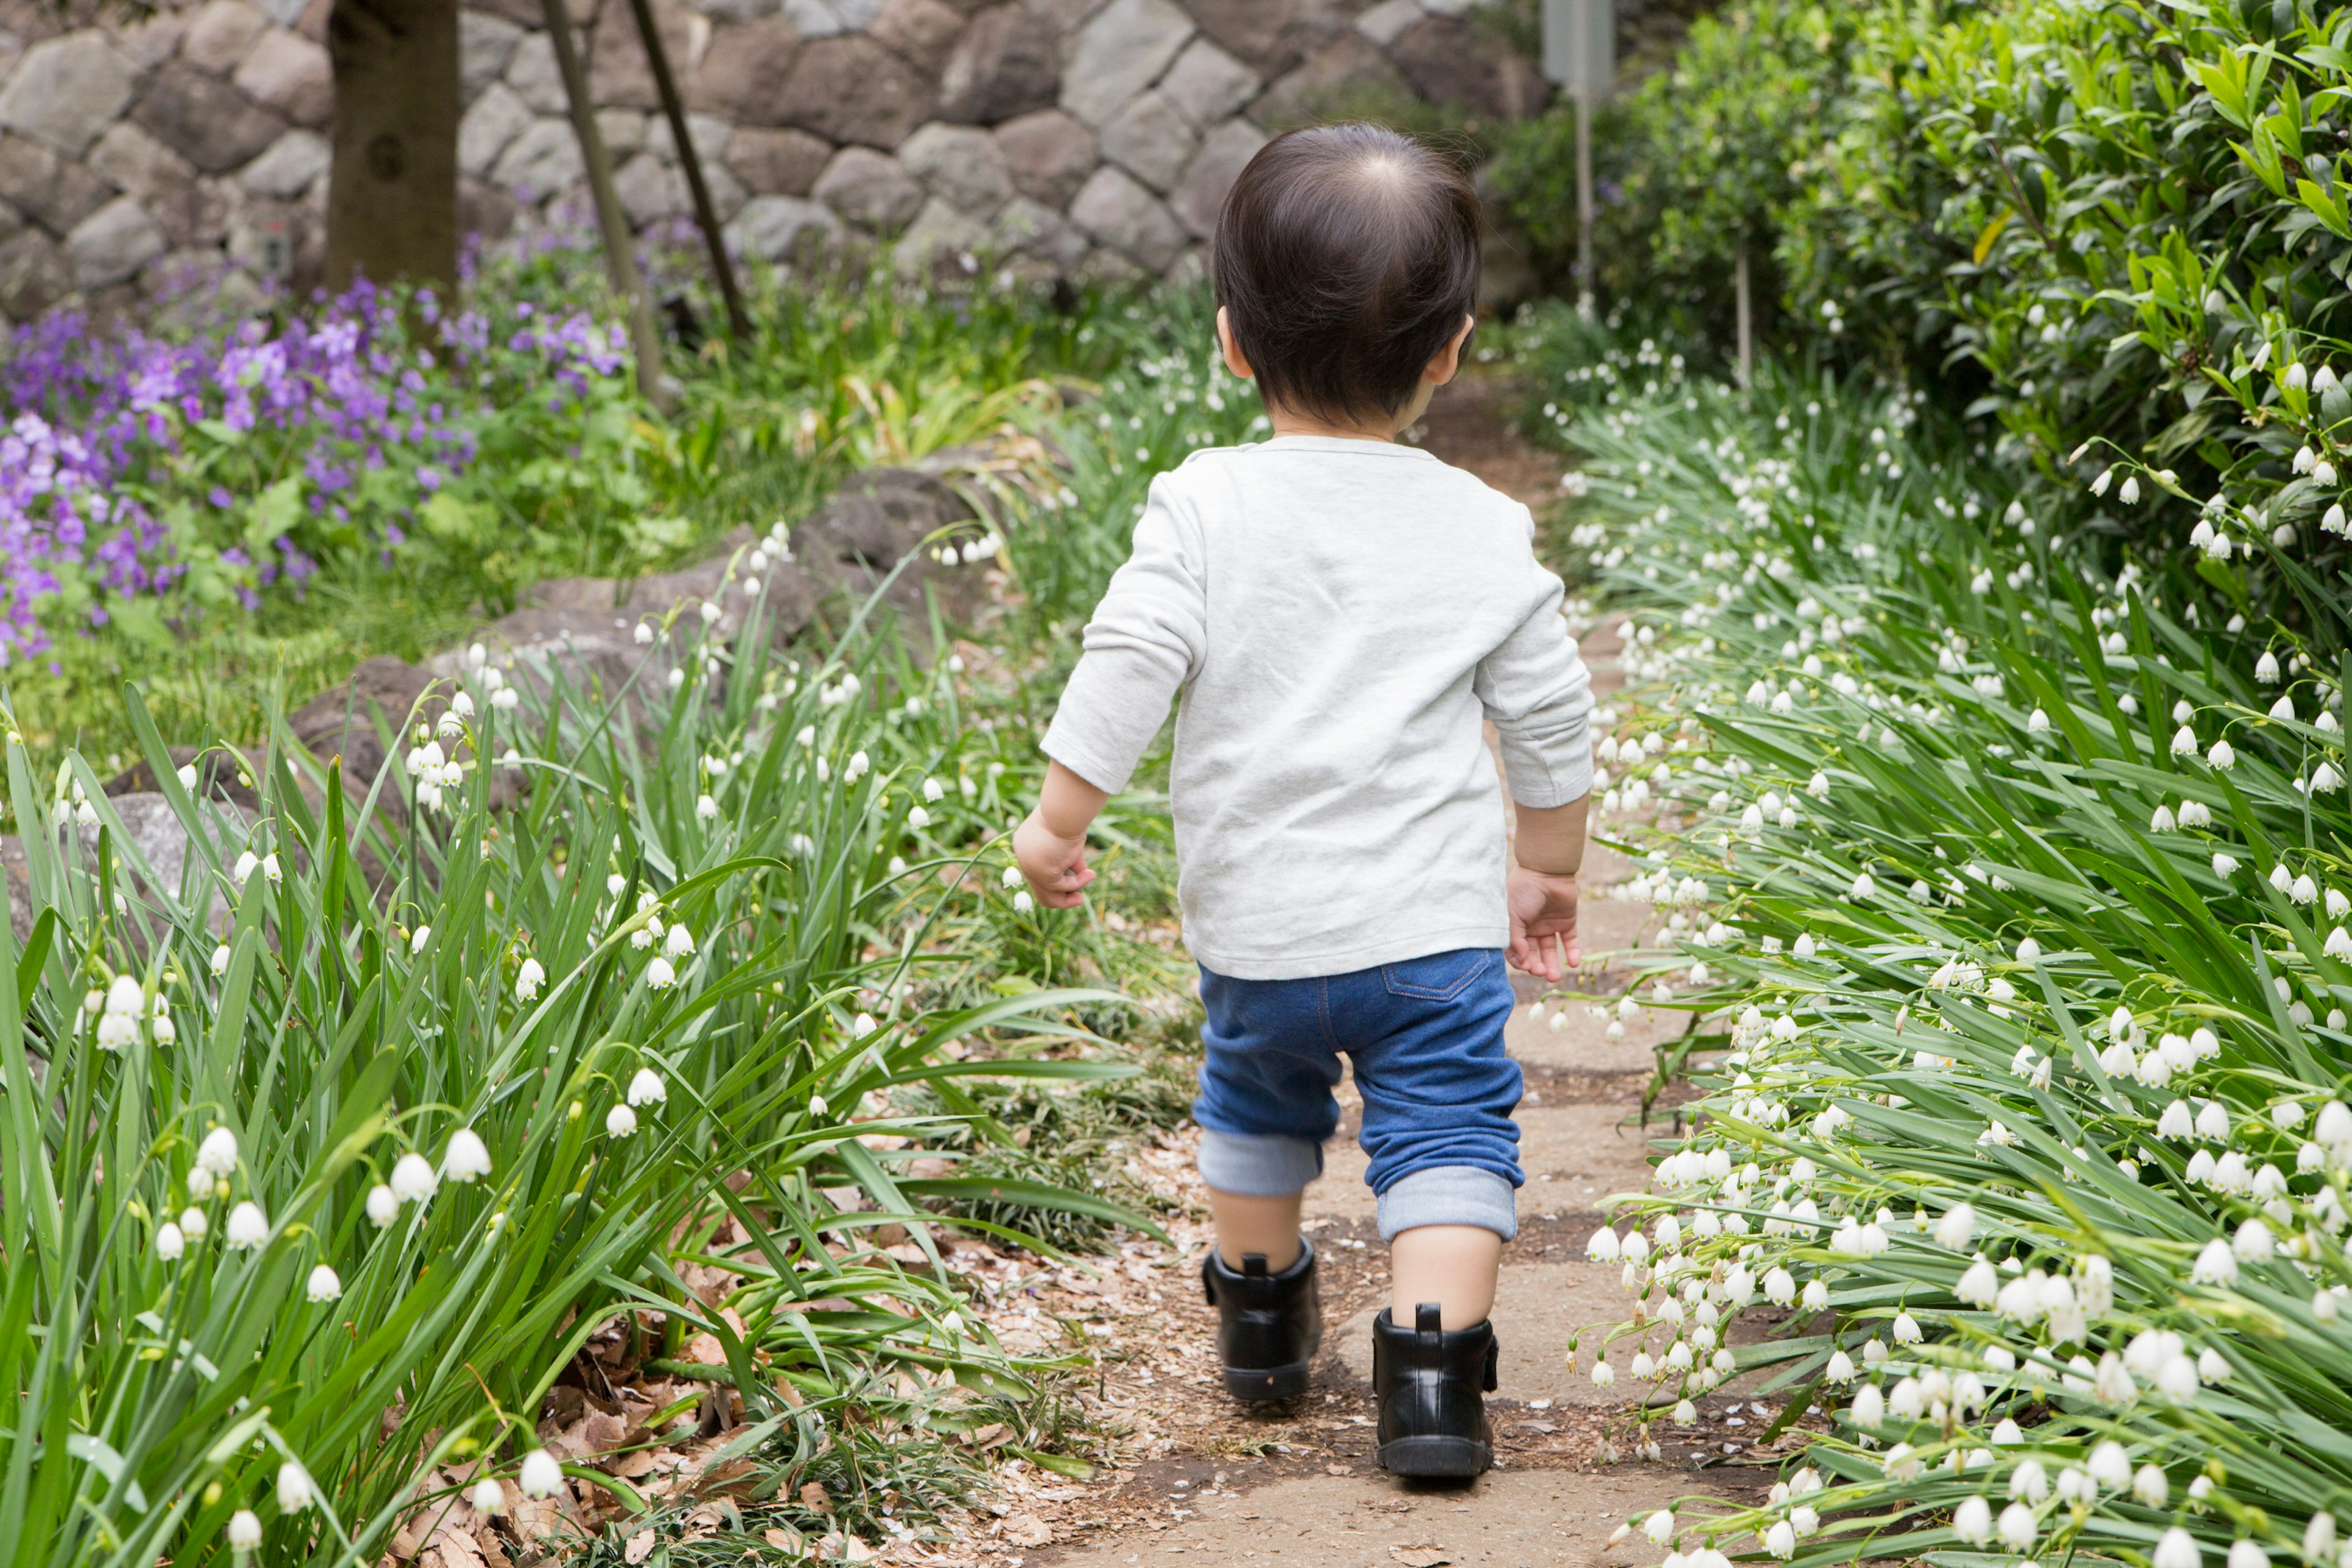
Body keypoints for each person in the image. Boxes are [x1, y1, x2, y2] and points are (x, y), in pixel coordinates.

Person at [1012, 123, 1593, 1480]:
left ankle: (1262, 1323)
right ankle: (1435, 1378)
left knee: (1252, 1105)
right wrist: (1549, 858)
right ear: (1452, 348)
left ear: (1230, 339)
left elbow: (1131, 657)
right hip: (1429, 935)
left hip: (1260, 934)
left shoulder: (1203, 505)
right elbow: (1550, 709)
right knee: (1447, 1127)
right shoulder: (1477, 524)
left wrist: (1060, 815)